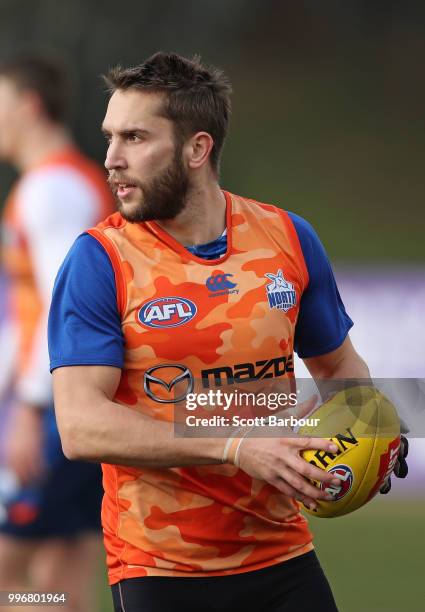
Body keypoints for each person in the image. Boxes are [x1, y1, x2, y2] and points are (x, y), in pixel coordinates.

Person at [48, 52, 406, 612]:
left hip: (285, 557)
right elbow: (81, 425)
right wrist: (236, 446)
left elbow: (340, 369)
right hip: (161, 569)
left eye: (135, 137)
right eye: (110, 137)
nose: (112, 159)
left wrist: (373, 424)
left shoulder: (288, 236)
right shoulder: (100, 260)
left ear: (197, 148)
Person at [0, 55, 114, 611]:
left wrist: (29, 408)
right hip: (81, 402)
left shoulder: (51, 190)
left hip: (61, 410)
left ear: (29, 104)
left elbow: (62, 308)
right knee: (58, 580)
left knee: (10, 577)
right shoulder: (67, 182)